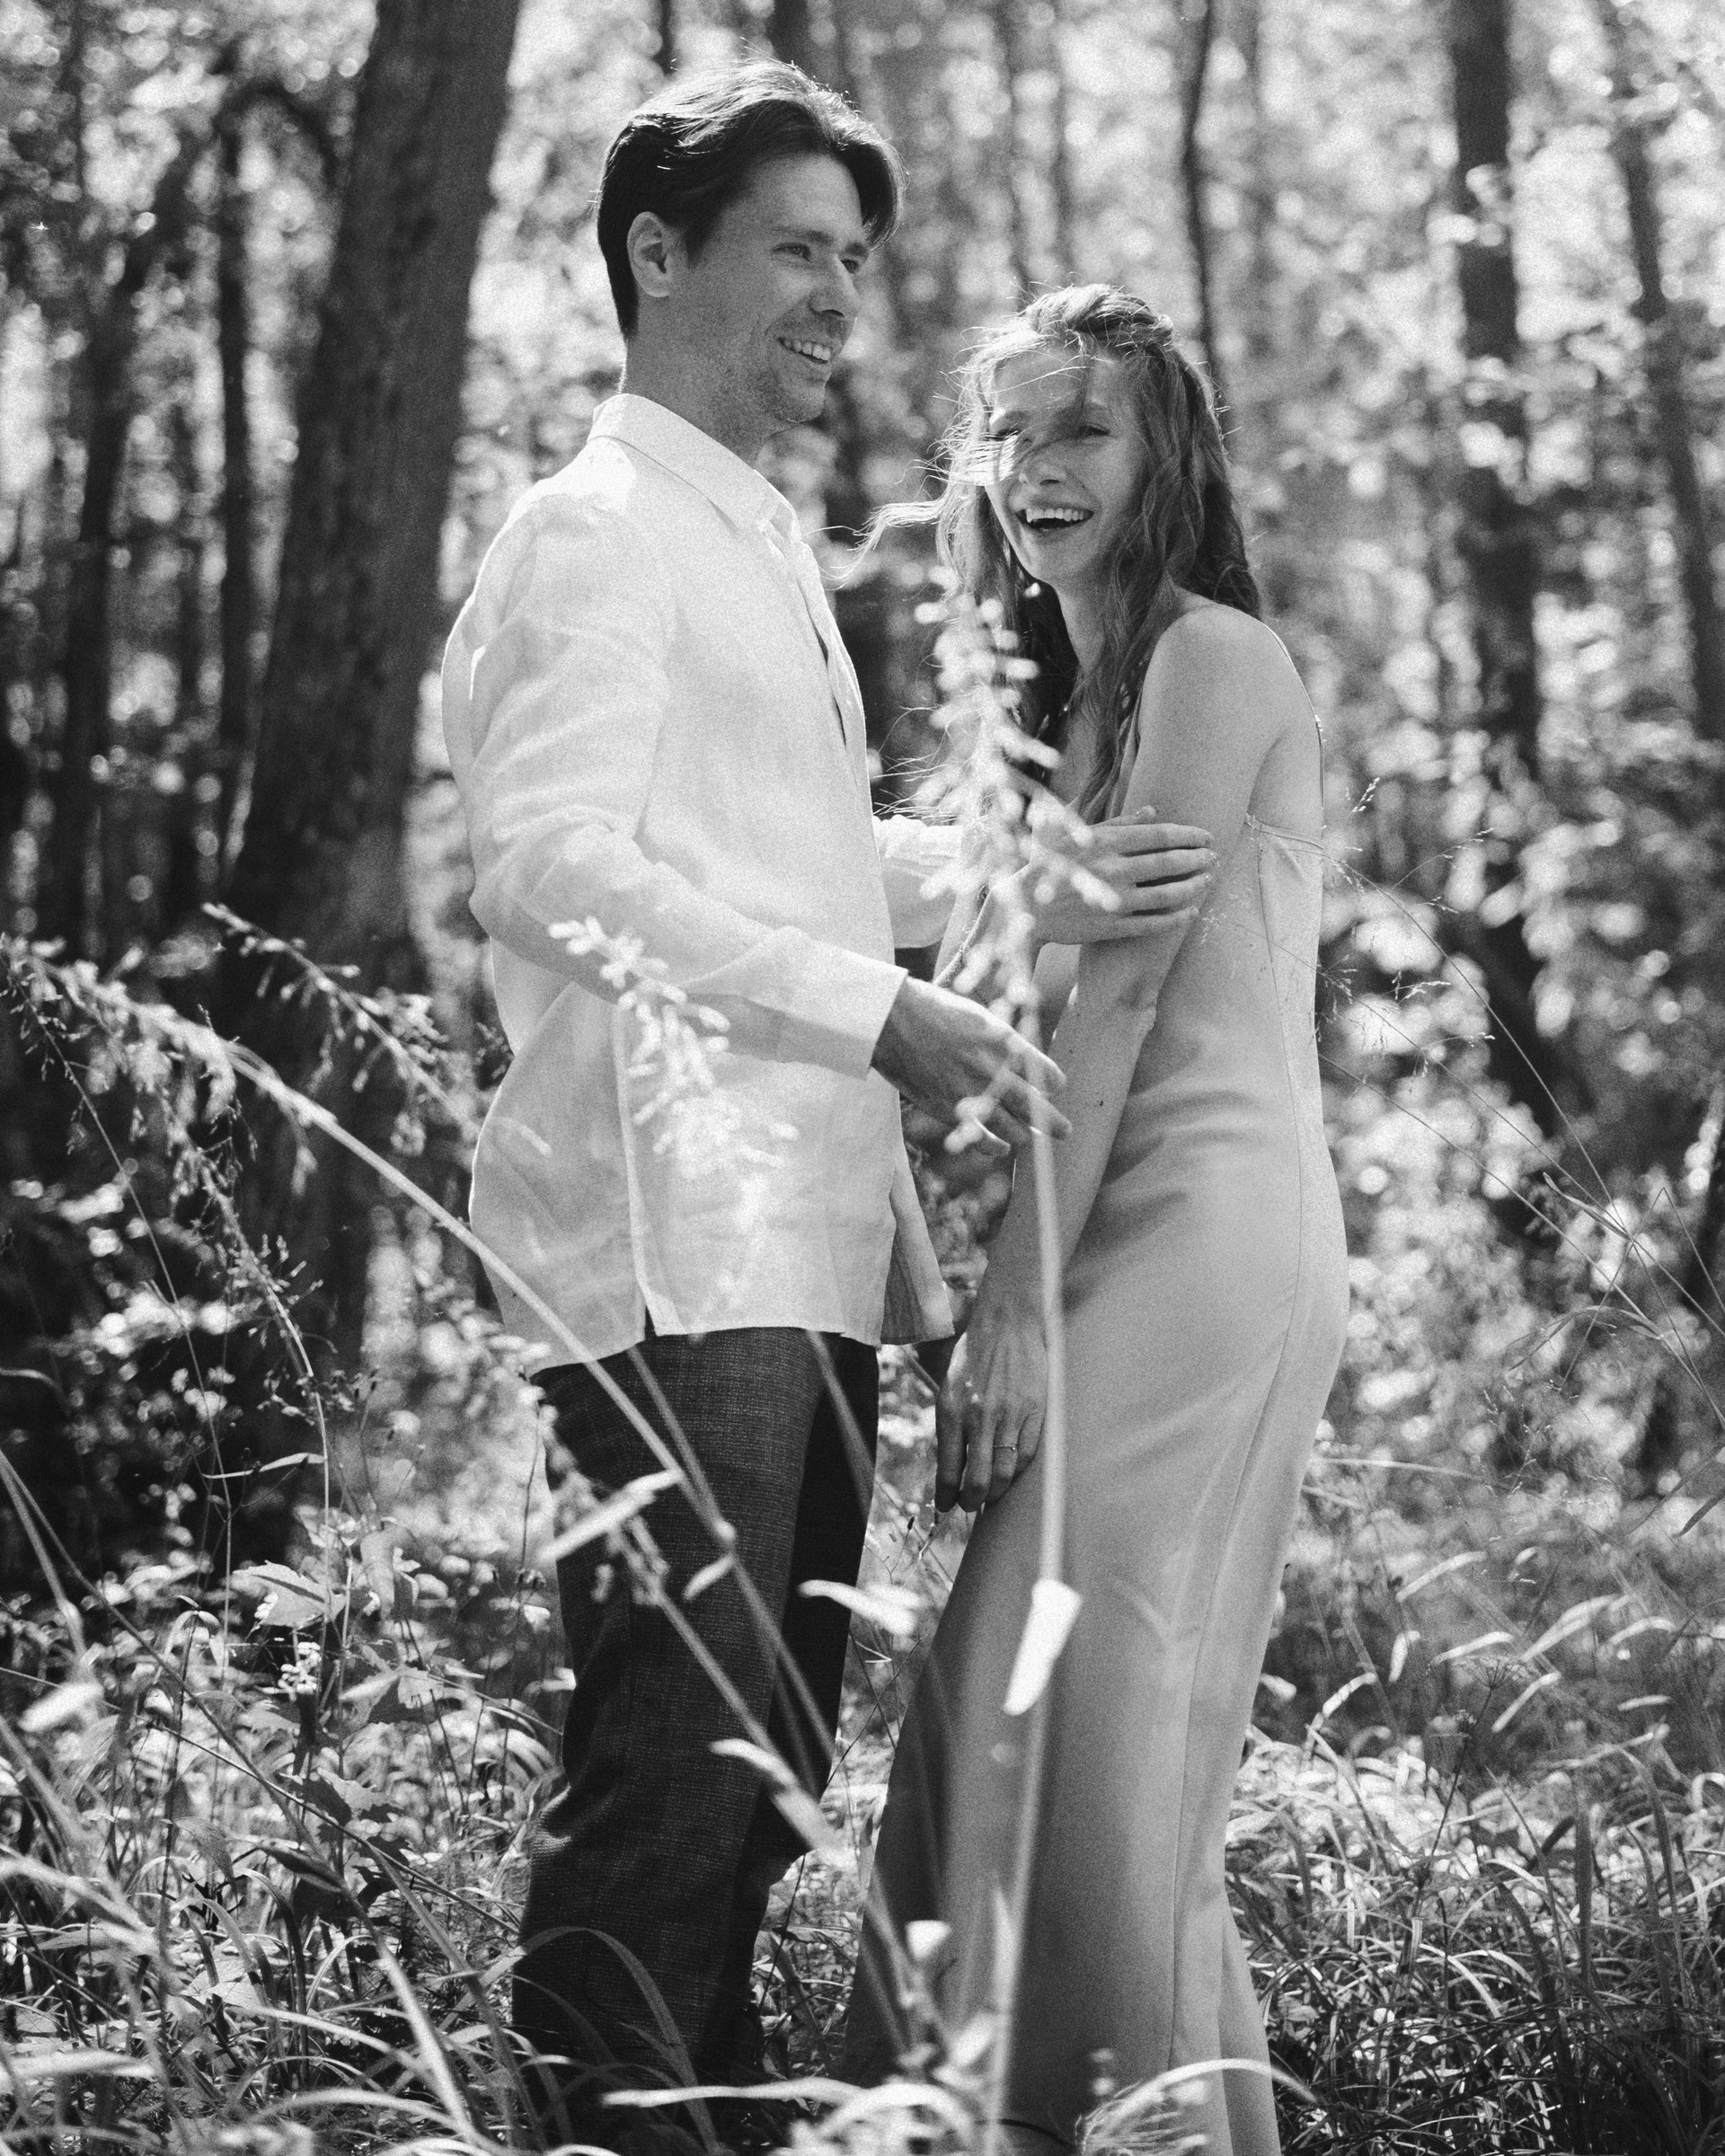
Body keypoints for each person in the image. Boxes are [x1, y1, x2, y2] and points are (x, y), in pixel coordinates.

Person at [439, 70, 1216, 2141]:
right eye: (795, 249)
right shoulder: (593, 536)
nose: (835, 300)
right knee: (675, 1782)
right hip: (670, 1249)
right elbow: (549, 869)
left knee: (758, 1776)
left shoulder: (748, 534)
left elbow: (789, 859)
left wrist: (1033, 876)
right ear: (656, 252)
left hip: (801, 1245)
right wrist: (880, 1015)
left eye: (850, 260)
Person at [843, 286, 1350, 2156]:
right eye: (1010, 429)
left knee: (1049, 1689)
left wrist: (1013, 1308)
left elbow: (1122, 1009)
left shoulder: (1214, 656)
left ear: (1167, 455)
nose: (1036, 467)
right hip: (1109, 1210)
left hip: (1210, 1227)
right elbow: (1000, 1021)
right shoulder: (1068, 708)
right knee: (1083, 1731)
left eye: (1084, 428)